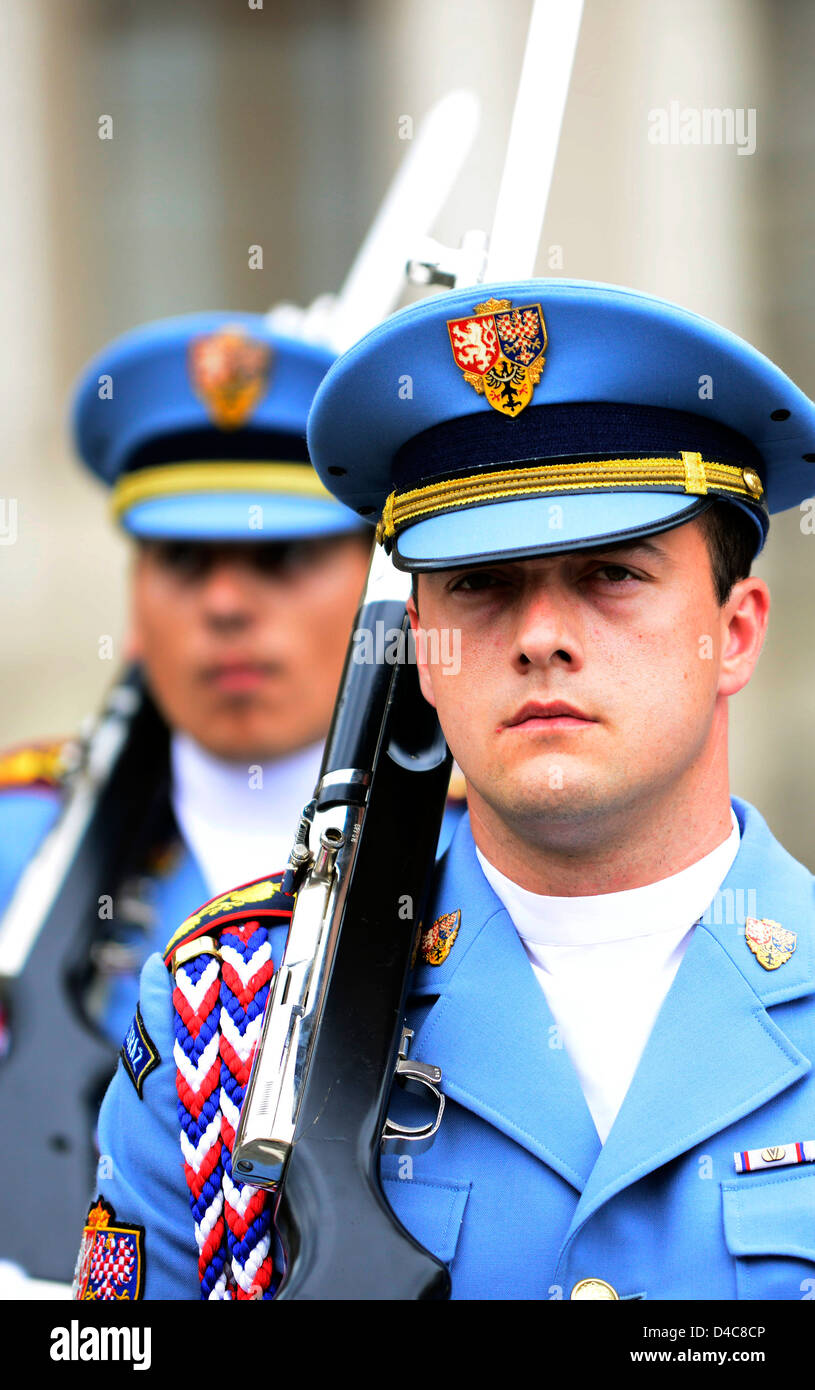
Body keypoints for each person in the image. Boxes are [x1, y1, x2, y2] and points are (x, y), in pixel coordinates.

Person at [74, 279, 815, 1301]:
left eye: (609, 573)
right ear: (417, 645)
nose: (539, 636)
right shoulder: (231, 1020)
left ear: (733, 633)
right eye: (479, 583)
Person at [0, 312, 371, 1286]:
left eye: (280, 558)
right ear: (134, 594)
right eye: (182, 559)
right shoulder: (18, 850)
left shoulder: (479, 854)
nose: (223, 604)